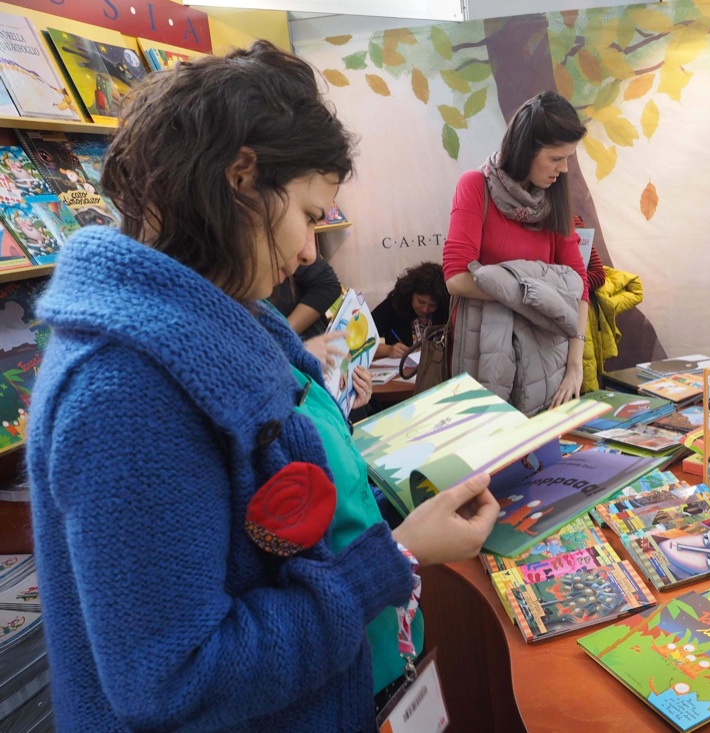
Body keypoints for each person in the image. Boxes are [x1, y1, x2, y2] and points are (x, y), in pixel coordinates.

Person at [26, 41, 498, 732]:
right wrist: (392, 560)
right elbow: (176, 678)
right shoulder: (123, 392)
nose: (310, 251)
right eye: (309, 214)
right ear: (242, 177)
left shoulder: (234, 322)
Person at [443, 90, 589, 413]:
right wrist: (534, 292)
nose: (564, 169)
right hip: (480, 360)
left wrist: (575, 365)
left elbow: (579, 285)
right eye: (556, 158)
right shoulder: (474, 187)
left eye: (568, 158)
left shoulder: (555, 200)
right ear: (526, 149)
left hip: (548, 367)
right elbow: (455, 277)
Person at [371, 260, 449, 359]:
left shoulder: (445, 309)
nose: (425, 309)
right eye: (421, 302)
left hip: (437, 368)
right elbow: (360, 345)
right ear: (411, 294)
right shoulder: (393, 304)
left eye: (432, 305)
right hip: (402, 370)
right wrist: (388, 350)